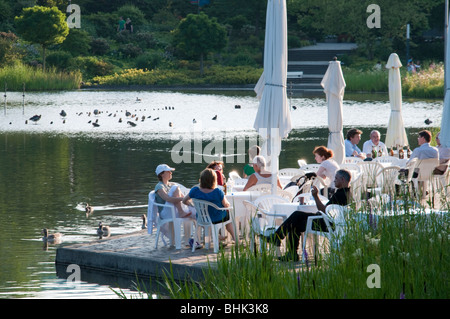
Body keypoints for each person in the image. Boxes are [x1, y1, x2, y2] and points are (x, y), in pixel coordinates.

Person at [263, 169, 352, 261]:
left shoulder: (340, 194)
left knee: (296, 219)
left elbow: (324, 210)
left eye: (336, 178)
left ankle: (281, 242)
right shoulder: (348, 193)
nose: (334, 180)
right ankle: (280, 240)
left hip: (327, 224)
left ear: (342, 179)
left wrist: (316, 196)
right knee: (297, 217)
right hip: (333, 222)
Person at [182, 168, 236, 242]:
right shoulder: (218, 192)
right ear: (214, 180)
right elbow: (226, 205)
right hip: (216, 218)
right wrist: (228, 204)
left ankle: (213, 238)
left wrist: (193, 206)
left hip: (202, 218)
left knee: (207, 217)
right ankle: (236, 239)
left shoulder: (194, 190)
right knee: (228, 218)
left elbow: (184, 201)